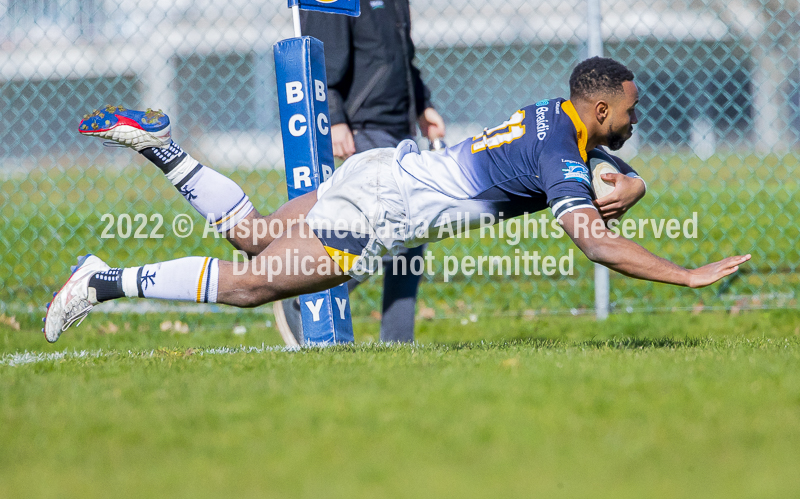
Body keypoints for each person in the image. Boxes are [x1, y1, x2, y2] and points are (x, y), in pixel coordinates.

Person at [43, 57, 750, 343]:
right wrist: (687, 273)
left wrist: (636, 180)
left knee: (253, 233)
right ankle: (102, 281)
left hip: (384, 170)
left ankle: (161, 144)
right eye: (628, 110)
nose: (634, 119)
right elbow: (592, 238)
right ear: (598, 109)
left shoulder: (551, 117)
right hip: (381, 213)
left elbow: (604, 170)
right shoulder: (561, 150)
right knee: (252, 286)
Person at [273, 0, 446, 344]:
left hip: (400, 129)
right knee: (384, 233)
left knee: (413, 234)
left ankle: (398, 340)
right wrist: (335, 119)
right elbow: (322, 62)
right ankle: (305, 298)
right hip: (363, 126)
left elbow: (402, 59)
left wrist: (423, 105)